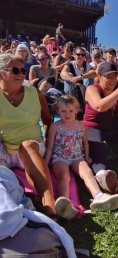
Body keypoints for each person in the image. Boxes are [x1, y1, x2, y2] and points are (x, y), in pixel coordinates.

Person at [44, 96, 118, 219]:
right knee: (64, 176)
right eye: (63, 111)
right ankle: (65, 203)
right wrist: (46, 163)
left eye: (71, 111)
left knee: (87, 172)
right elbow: (50, 147)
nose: (67, 114)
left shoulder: (80, 125)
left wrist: (86, 156)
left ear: (76, 110)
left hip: (77, 157)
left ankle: (98, 196)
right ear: (58, 111)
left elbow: (84, 143)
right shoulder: (55, 126)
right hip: (60, 157)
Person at [0, 53, 57, 218]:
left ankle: (49, 207)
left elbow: (47, 120)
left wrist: (45, 140)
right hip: (5, 148)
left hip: (32, 145)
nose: (20, 74)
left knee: (27, 146)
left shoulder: (35, 94)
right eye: (15, 70)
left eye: (23, 70)